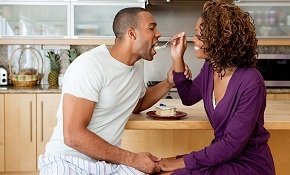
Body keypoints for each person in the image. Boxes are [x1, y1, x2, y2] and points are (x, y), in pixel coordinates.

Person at [38, 7, 190, 175]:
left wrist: (169, 82)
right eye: (151, 28)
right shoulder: (90, 65)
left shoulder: (137, 69)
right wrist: (133, 159)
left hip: (106, 164)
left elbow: (136, 104)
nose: (158, 34)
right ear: (132, 34)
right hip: (68, 160)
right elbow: (73, 135)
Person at [155, 1, 275, 175]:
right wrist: (176, 58)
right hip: (223, 157)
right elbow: (188, 97)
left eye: (200, 36)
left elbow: (231, 145)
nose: (194, 40)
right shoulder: (211, 68)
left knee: (178, 171)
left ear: (221, 41)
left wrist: (179, 163)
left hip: (249, 164)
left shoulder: (251, 81)